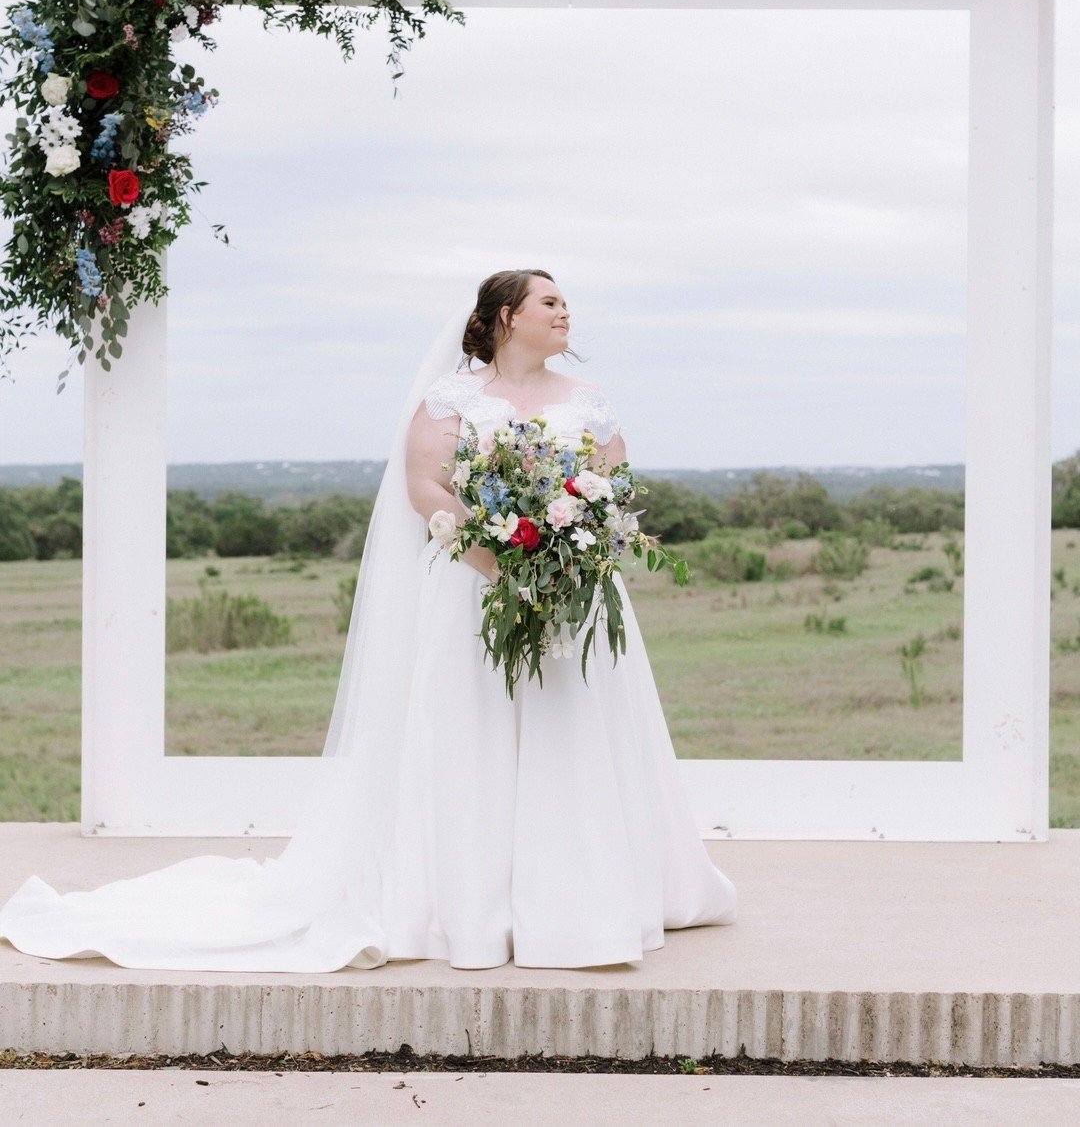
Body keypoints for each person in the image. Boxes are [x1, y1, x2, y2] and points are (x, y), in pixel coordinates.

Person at [0, 268, 736, 972]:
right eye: (549, 302)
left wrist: (566, 550)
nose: (565, 312)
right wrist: (497, 561)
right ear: (507, 316)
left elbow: (612, 483)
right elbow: (427, 486)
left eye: (565, 303)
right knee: (469, 732)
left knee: (575, 729)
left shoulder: (589, 397)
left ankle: (590, 896)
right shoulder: (452, 399)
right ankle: (470, 906)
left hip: (569, 593)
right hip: (474, 588)